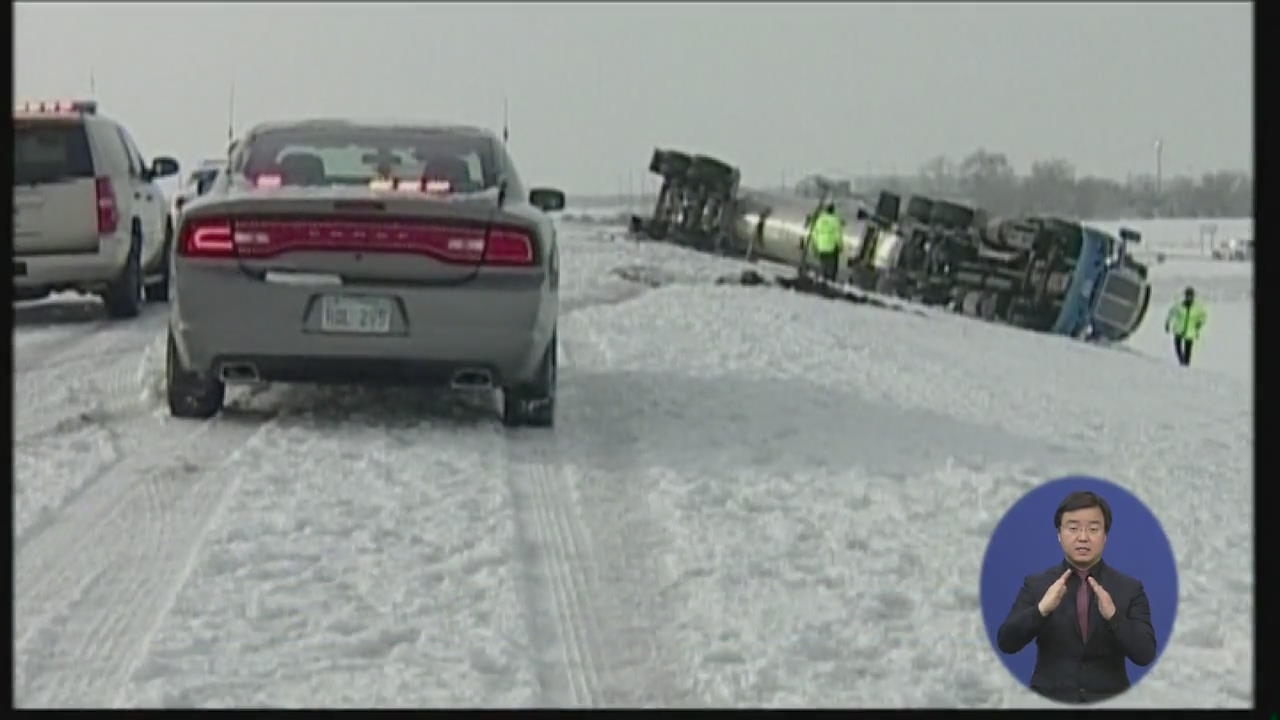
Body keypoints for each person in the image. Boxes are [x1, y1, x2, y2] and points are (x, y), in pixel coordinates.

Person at [995, 491, 1157, 704]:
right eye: (1073, 528)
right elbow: (1007, 642)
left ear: (1105, 536)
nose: (1083, 537)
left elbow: (1145, 654)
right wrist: (1041, 610)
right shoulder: (1037, 585)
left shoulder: (1130, 588)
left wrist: (1114, 617)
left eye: (1093, 529)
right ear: (1059, 535)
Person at [1165, 286, 1207, 367]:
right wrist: (1167, 323)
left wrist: (1199, 323)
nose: (1189, 297)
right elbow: (1171, 313)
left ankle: (1186, 365)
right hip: (1178, 329)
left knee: (1188, 350)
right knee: (1178, 348)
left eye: (1190, 296)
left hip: (1190, 331)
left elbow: (1203, 316)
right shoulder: (1179, 306)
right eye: (1187, 295)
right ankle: (1181, 361)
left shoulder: (1197, 308)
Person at [807, 203, 844, 282]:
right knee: (831, 268)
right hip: (831, 248)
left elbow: (814, 233)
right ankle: (829, 282)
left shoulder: (819, 219)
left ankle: (822, 280)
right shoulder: (835, 220)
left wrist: (814, 246)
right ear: (833, 210)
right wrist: (840, 246)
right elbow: (838, 235)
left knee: (823, 265)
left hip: (821, 247)